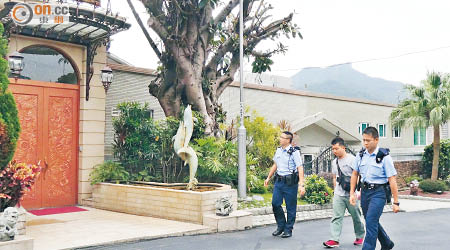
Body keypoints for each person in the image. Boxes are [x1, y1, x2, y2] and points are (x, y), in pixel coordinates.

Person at [350, 127, 400, 250]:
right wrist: (352, 193)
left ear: (376, 140)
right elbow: (355, 174)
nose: (365, 143)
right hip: (365, 192)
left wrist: (396, 202)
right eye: (363, 140)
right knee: (370, 220)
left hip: (379, 193)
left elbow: (392, 179)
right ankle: (387, 243)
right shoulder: (360, 155)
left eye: (368, 140)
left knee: (371, 221)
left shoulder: (384, 157)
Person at [323, 137, 365, 248]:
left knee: (356, 216)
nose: (334, 151)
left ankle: (360, 236)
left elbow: (358, 175)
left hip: (351, 194)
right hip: (339, 194)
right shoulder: (334, 162)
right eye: (333, 149)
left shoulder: (352, 159)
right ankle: (334, 239)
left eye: (336, 148)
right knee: (336, 217)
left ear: (343, 147)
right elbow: (334, 177)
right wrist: (335, 190)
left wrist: (356, 192)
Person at [264, 131, 305, 238]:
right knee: (275, 203)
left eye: (282, 137)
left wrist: (301, 185)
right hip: (279, 181)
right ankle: (281, 226)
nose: (280, 139)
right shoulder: (279, 150)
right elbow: (275, 164)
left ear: (288, 140)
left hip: (290, 183)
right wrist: (268, 177)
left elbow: (300, 167)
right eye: (280, 137)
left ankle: (288, 229)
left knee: (290, 207)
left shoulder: (294, 152)